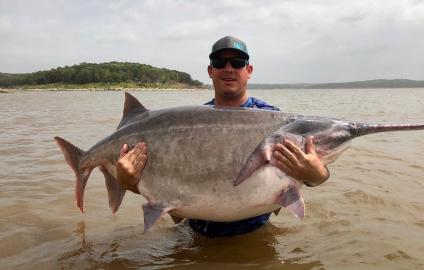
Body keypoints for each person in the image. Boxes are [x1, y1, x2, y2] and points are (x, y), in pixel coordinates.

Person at [116, 36, 330, 237]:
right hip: (195, 234)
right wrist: (127, 182)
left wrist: (318, 175)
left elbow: (306, 172)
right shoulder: (191, 123)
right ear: (210, 70)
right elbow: (166, 182)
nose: (228, 68)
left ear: (249, 70)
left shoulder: (274, 120)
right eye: (219, 62)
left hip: (254, 234)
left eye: (237, 62)